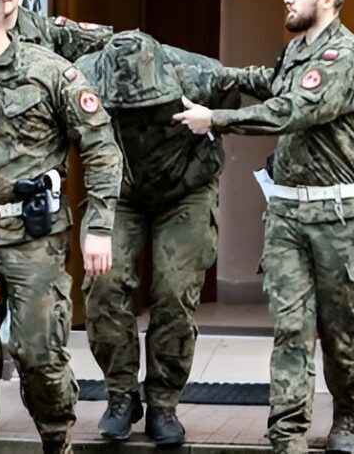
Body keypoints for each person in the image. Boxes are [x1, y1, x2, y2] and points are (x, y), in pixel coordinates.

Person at [173, 0, 354, 454]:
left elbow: (291, 110)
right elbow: (272, 81)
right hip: (287, 215)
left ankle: (347, 419)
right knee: (290, 327)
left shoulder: (344, 58)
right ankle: (286, 434)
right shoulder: (297, 53)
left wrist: (216, 120)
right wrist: (216, 75)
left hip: (340, 218)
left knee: (343, 332)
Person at [0, 0, 123, 454]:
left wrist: (98, 227)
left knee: (39, 354)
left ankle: (57, 438)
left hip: (35, 241)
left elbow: (101, 148)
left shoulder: (52, 73)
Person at [75, 31, 239, 446]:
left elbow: (232, 108)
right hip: (120, 190)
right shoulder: (82, 79)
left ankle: (164, 402)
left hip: (187, 189)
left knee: (174, 289)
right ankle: (121, 395)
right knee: (104, 285)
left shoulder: (202, 75)